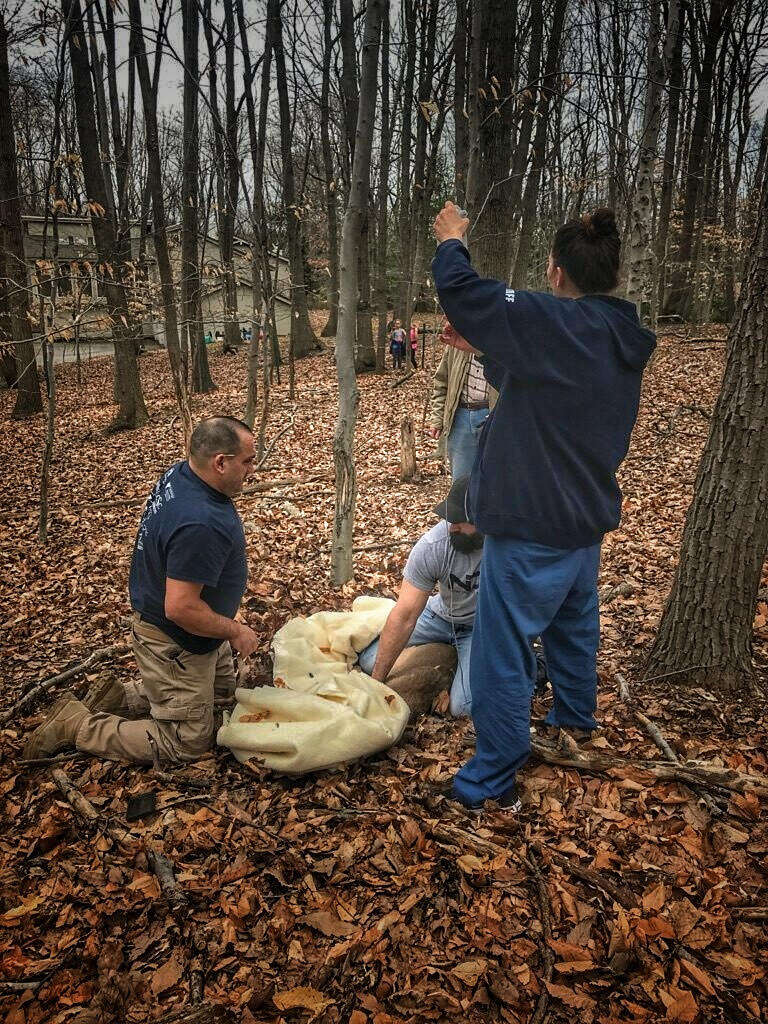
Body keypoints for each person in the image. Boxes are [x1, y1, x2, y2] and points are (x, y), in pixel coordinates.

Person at [431, 202, 656, 813]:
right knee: (574, 621)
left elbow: (464, 291)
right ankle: (576, 718)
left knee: (503, 650)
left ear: (556, 272)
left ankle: (490, 779)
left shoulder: (558, 321)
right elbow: (551, 385)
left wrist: (453, 240)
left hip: (535, 522)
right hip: (582, 517)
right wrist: (482, 349)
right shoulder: (612, 334)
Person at [23, 417, 259, 765]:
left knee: (223, 697)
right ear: (220, 463)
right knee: (186, 744)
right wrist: (235, 630)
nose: (252, 469)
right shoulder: (201, 521)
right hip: (177, 639)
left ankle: (117, 696)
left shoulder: (183, 474)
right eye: (247, 461)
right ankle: (77, 725)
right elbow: (180, 608)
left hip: (197, 631)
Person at [357, 476, 482, 718]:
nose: (451, 525)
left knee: (462, 708)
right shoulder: (434, 545)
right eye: (450, 518)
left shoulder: (507, 549)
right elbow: (405, 615)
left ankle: (460, 661)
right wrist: (376, 685)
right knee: (370, 661)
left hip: (479, 628)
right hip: (440, 615)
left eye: (460, 520)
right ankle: (446, 653)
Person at [427, 347, 497, 481]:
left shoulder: (504, 342)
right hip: (460, 418)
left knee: (494, 482)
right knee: (461, 483)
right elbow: (442, 381)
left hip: (494, 417)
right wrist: (437, 417)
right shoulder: (457, 343)